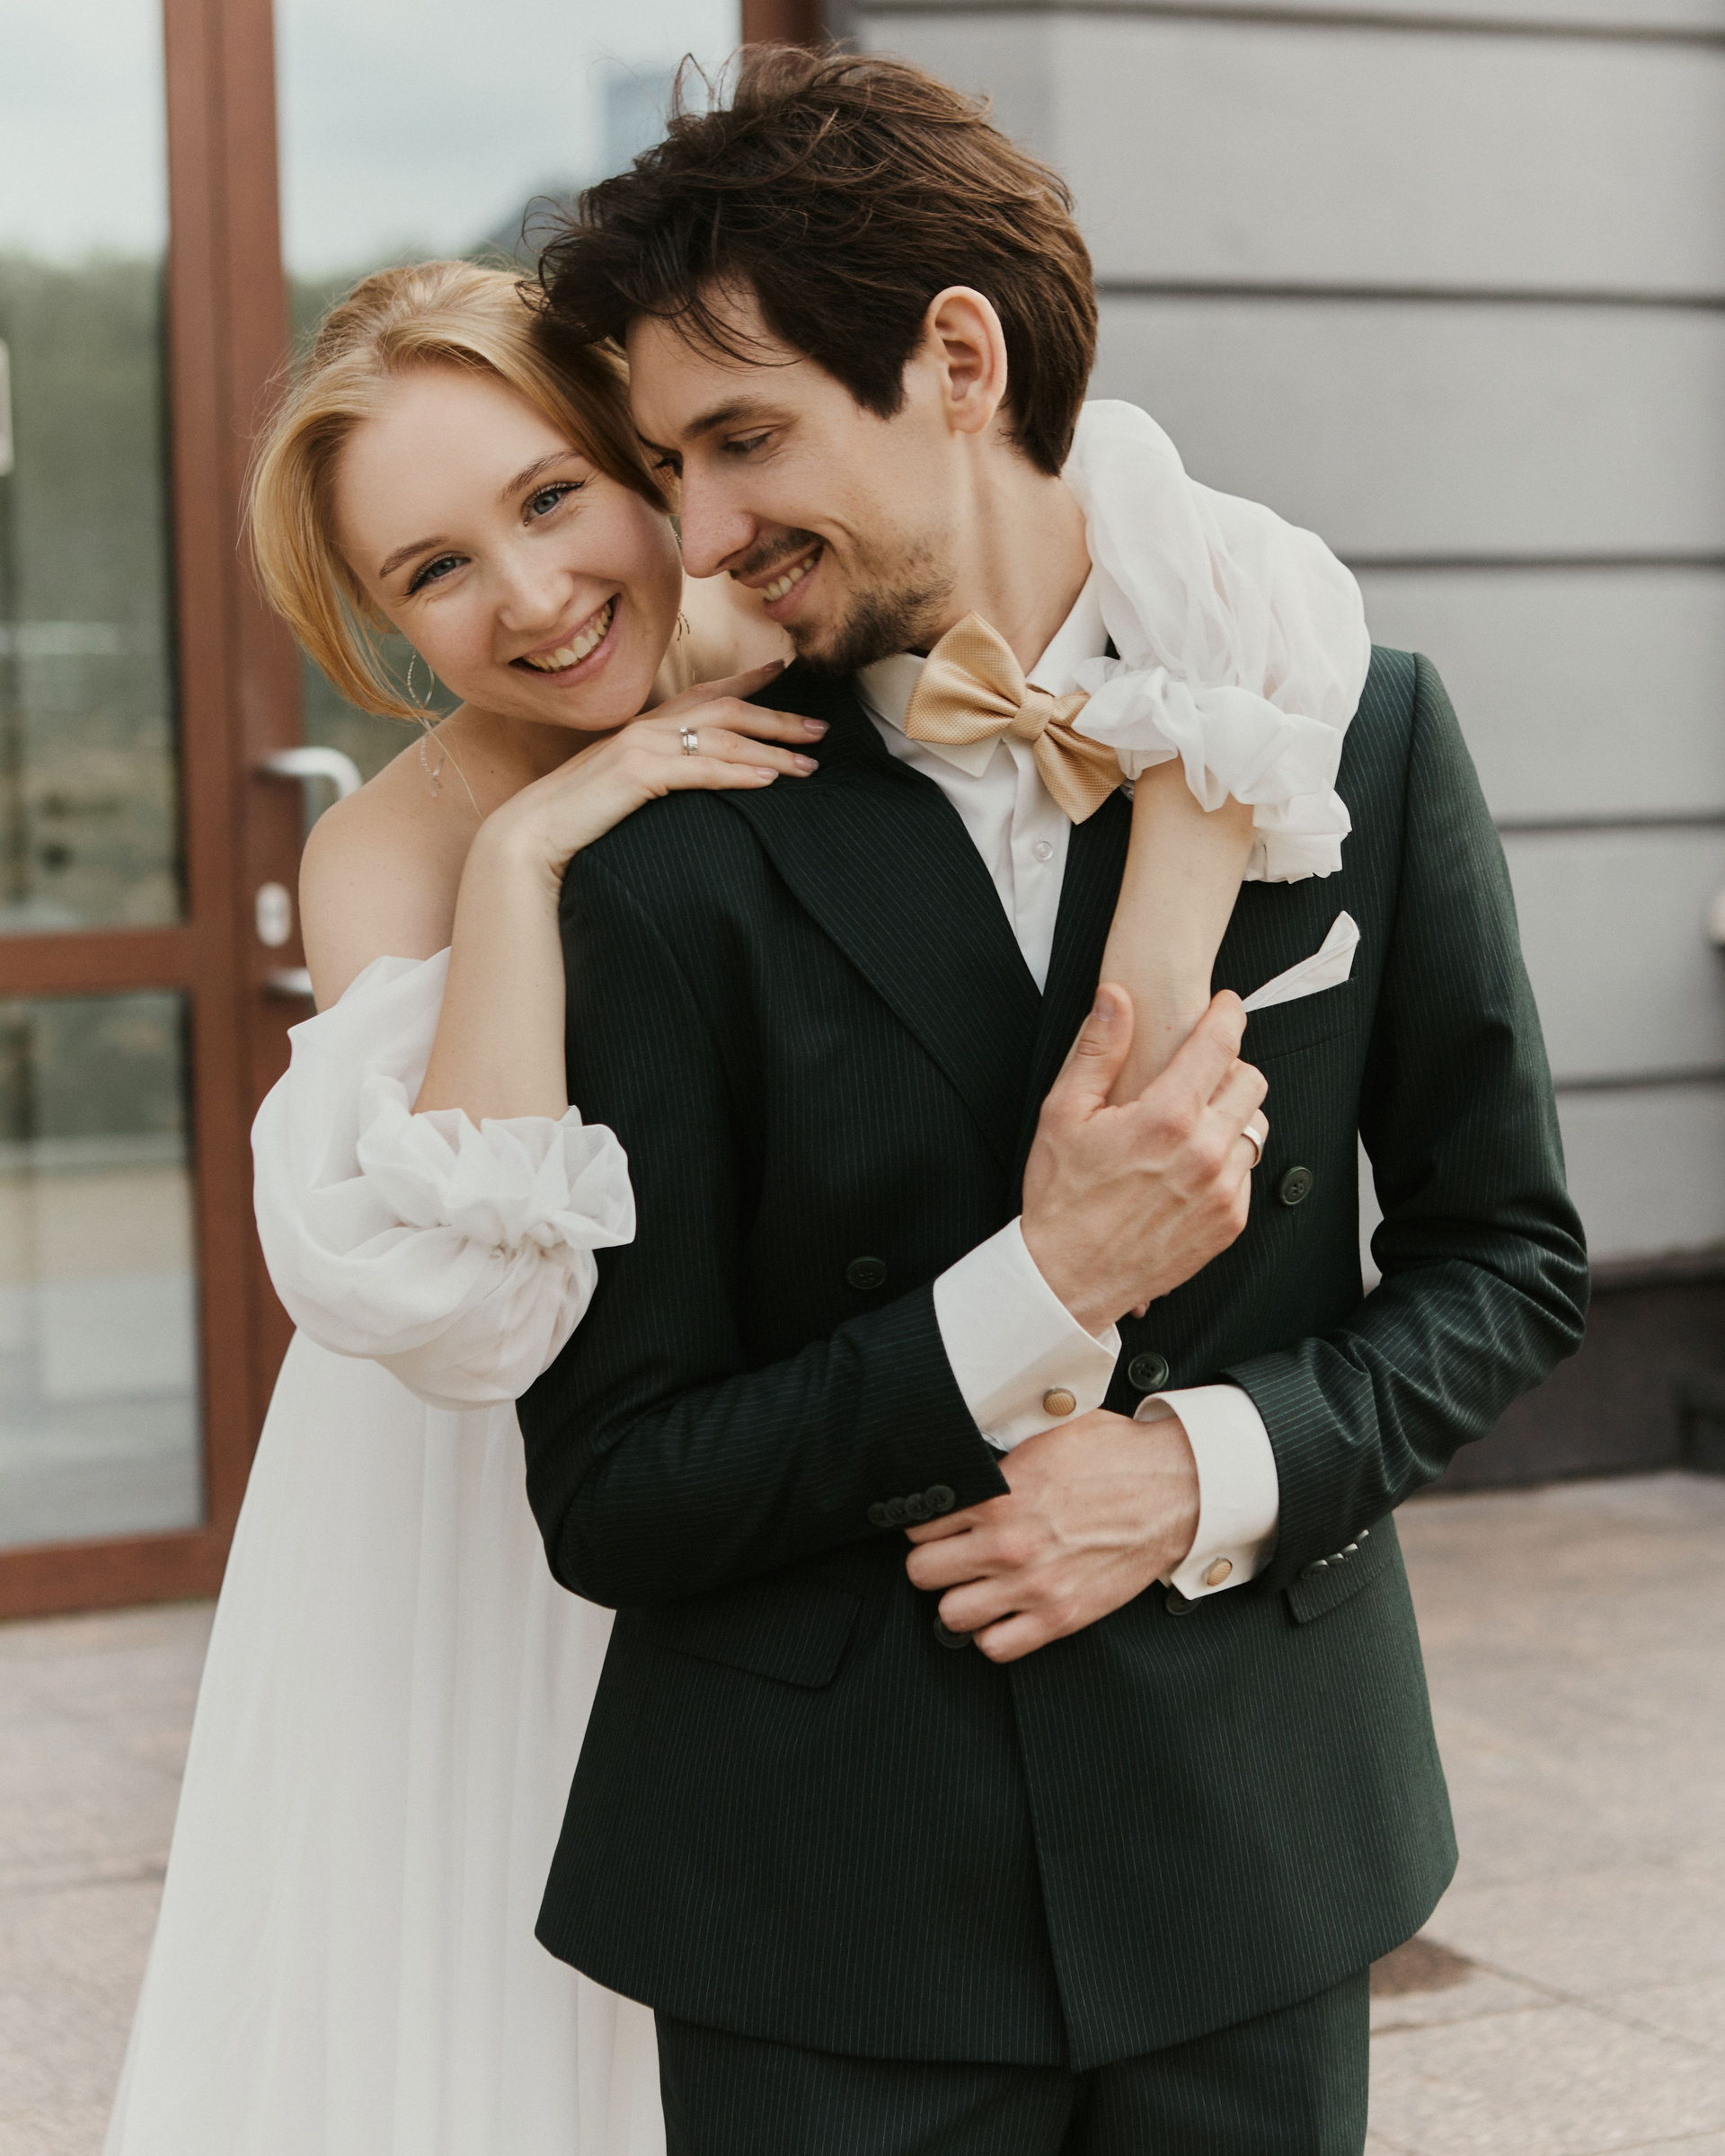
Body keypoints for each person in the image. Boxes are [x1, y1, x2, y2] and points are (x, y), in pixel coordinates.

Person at [516, 49, 1589, 2155]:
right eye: (666, 464)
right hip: (824, 1903)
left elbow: (1512, 1259)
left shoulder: (1356, 729)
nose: (702, 539)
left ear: (957, 358)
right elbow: (616, 1487)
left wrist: (1207, 1468)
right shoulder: (671, 853)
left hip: (1253, 1846)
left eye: (744, 438)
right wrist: (1033, 1292)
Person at [102, 260, 817, 2156]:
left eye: (550, 495)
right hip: (477, 1505)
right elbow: (479, 1310)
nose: (531, 596)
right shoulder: (392, 846)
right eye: (435, 570)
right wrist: (527, 853)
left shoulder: (815, 650)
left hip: (766, 1444)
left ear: (639, 458)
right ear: (386, 622)